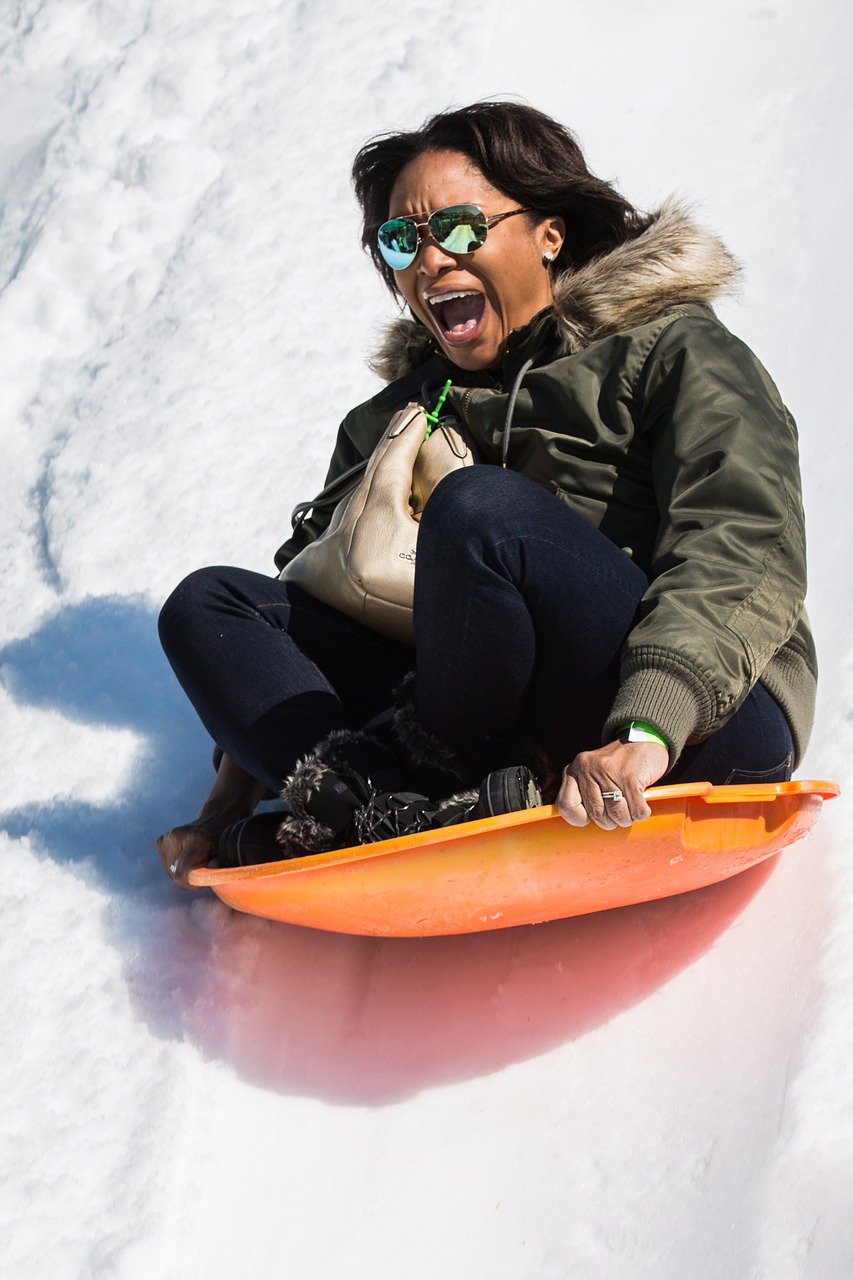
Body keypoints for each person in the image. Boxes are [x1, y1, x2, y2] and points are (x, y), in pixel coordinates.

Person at [156, 101, 816, 888]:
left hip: (693, 722)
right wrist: (234, 794)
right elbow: (314, 601)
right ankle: (375, 804)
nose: (430, 260)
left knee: (479, 510)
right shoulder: (392, 420)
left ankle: (414, 796)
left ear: (549, 233)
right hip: (479, 724)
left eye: (461, 227)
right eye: (402, 240)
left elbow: (740, 537)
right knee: (212, 607)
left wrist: (649, 724)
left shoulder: (670, 350)